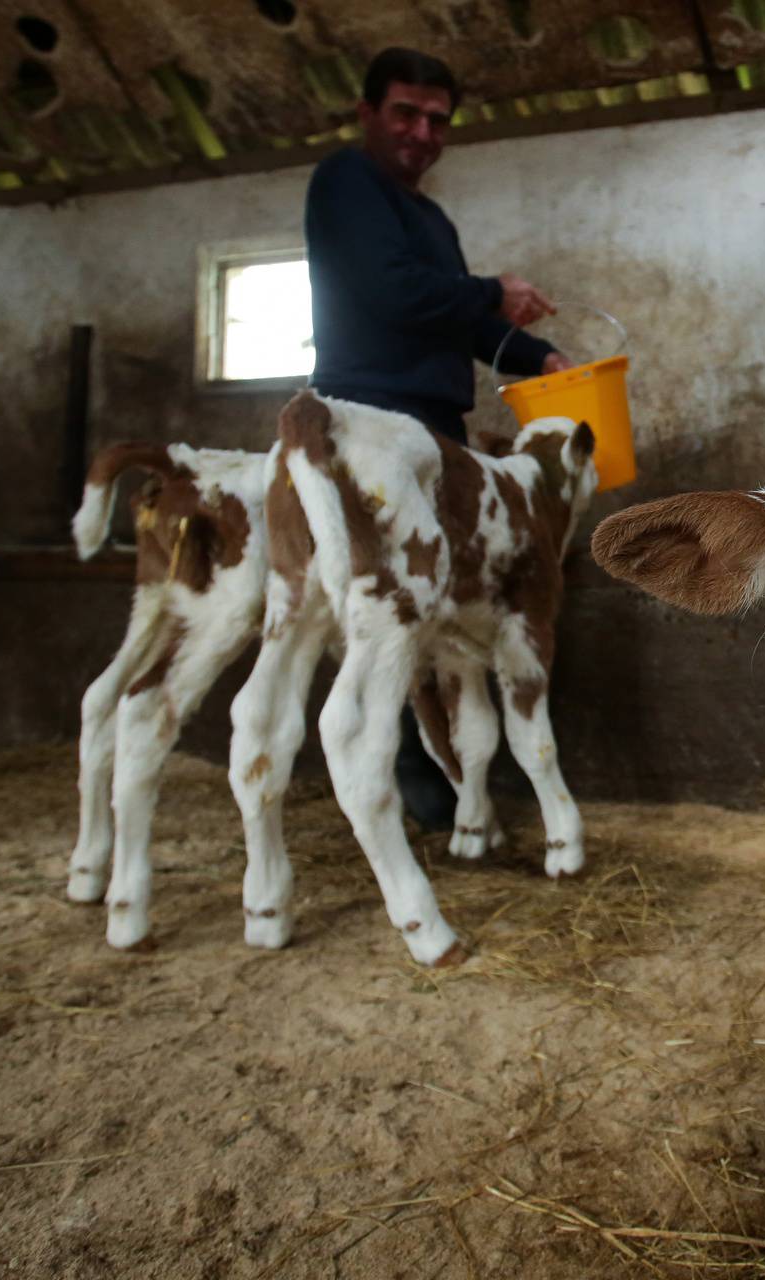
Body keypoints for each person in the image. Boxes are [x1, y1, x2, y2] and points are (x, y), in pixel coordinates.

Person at [304, 46, 568, 830]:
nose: (423, 132)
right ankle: (400, 770)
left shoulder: (429, 216)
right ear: (367, 115)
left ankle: (454, 770)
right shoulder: (345, 183)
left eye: (437, 119)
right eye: (405, 114)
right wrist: (495, 289)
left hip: (433, 434)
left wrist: (538, 356)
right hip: (369, 424)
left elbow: (457, 317)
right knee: (391, 602)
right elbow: (393, 291)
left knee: (435, 604)